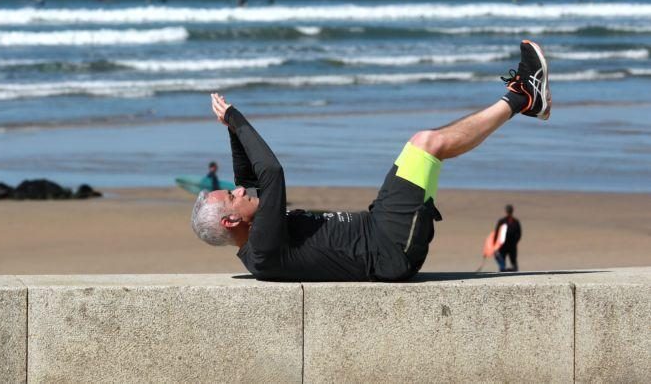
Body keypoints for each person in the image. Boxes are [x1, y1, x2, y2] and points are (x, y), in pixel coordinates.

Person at [190, 40, 550, 282]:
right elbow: (270, 172)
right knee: (426, 144)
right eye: (231, 195)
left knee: (423, 146)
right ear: (231, 219)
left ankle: (524, 98)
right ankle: (522, 97)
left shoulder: (255, 236)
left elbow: (250, 175)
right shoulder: (263, 250)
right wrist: (236, 117)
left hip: (378, 226)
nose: (238, 189)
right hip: (390, 249)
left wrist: (231, 130)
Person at [494, 204, 523, 272]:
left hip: (512, 246)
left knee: (513, 263)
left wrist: (515, 241)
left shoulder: (515, 222)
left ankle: (513, 274)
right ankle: (502, 275)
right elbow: (497, 233)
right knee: (502, 264)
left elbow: (519, 234)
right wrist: (495, 244)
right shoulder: (502, 221)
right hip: (503, 246)